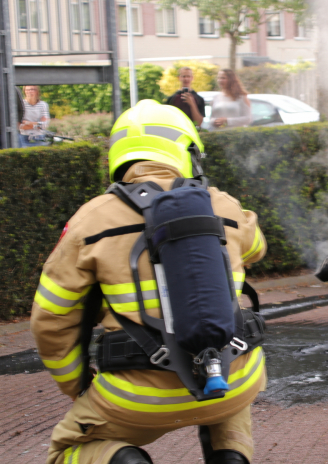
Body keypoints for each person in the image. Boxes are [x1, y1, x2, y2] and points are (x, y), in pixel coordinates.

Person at [31, 100, 268, 464]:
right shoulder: (223, 206)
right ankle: (231, 456)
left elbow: (50, 319)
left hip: (136, 398)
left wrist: (77, 387)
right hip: (235, 381)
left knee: (65, 449)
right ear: (187, 152)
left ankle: (123, 460)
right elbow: (256, 248)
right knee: (229, 399)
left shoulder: (90, 221)